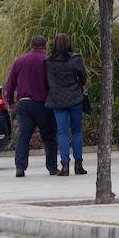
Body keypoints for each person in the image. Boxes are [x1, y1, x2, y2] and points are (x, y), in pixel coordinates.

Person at [4, 35, 58, 177]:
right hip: (45, 104)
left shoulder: (20, 61)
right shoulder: (48, 61)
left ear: (30, 46)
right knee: (49, 136)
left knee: (23, 136)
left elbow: (10, 85)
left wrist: (10, 101)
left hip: (25, 103)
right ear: (45, 47)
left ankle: (20, 168)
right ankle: (52, 167)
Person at [45, 33, 88, 176]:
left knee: (62, 132)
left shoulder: (49, 62)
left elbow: (49, 82)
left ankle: (64, 166)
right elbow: (83, 78)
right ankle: (78, 165)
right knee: (76, 131)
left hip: (58, 100)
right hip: (75, 98)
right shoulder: (75, 59)